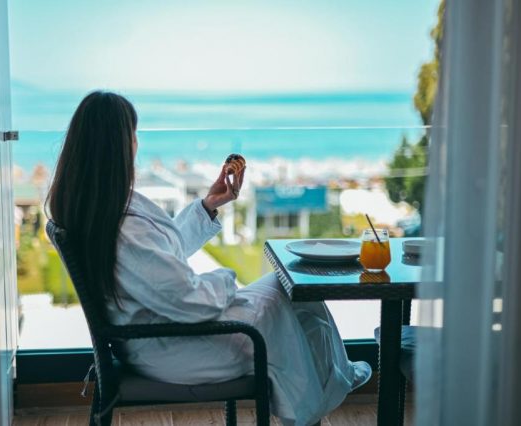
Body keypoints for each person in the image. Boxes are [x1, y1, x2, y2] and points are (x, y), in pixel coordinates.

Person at [47, 91, 371, 426]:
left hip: (162, 332)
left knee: (288, 285)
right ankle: (319, 393)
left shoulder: (98, 207)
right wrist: (225, 278)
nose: (136, 144)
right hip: (178, 348)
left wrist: (207, 206)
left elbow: (158, 257)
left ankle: (331, 380)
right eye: (133, 134)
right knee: (289, 297)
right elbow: (188, 300)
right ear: (118, 147)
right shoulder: (123, 225)